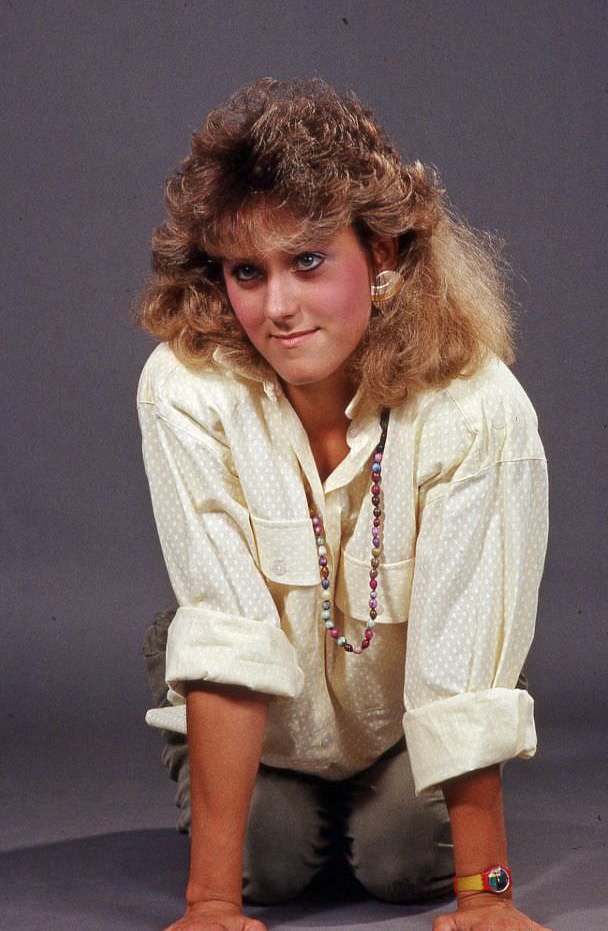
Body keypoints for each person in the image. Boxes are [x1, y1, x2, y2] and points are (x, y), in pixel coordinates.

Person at [133, 77, 552, 931]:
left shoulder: (479, 408)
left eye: (309, 261)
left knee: (401, 863)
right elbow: (228, 631)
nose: (276, 306)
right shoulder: (185, 388)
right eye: (248, 271)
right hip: (268, 715)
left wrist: (486, 898)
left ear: (386, 254)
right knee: (265, 868)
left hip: (402, 718)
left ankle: (393, 809)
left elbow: (465, 660)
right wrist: (210, 903)